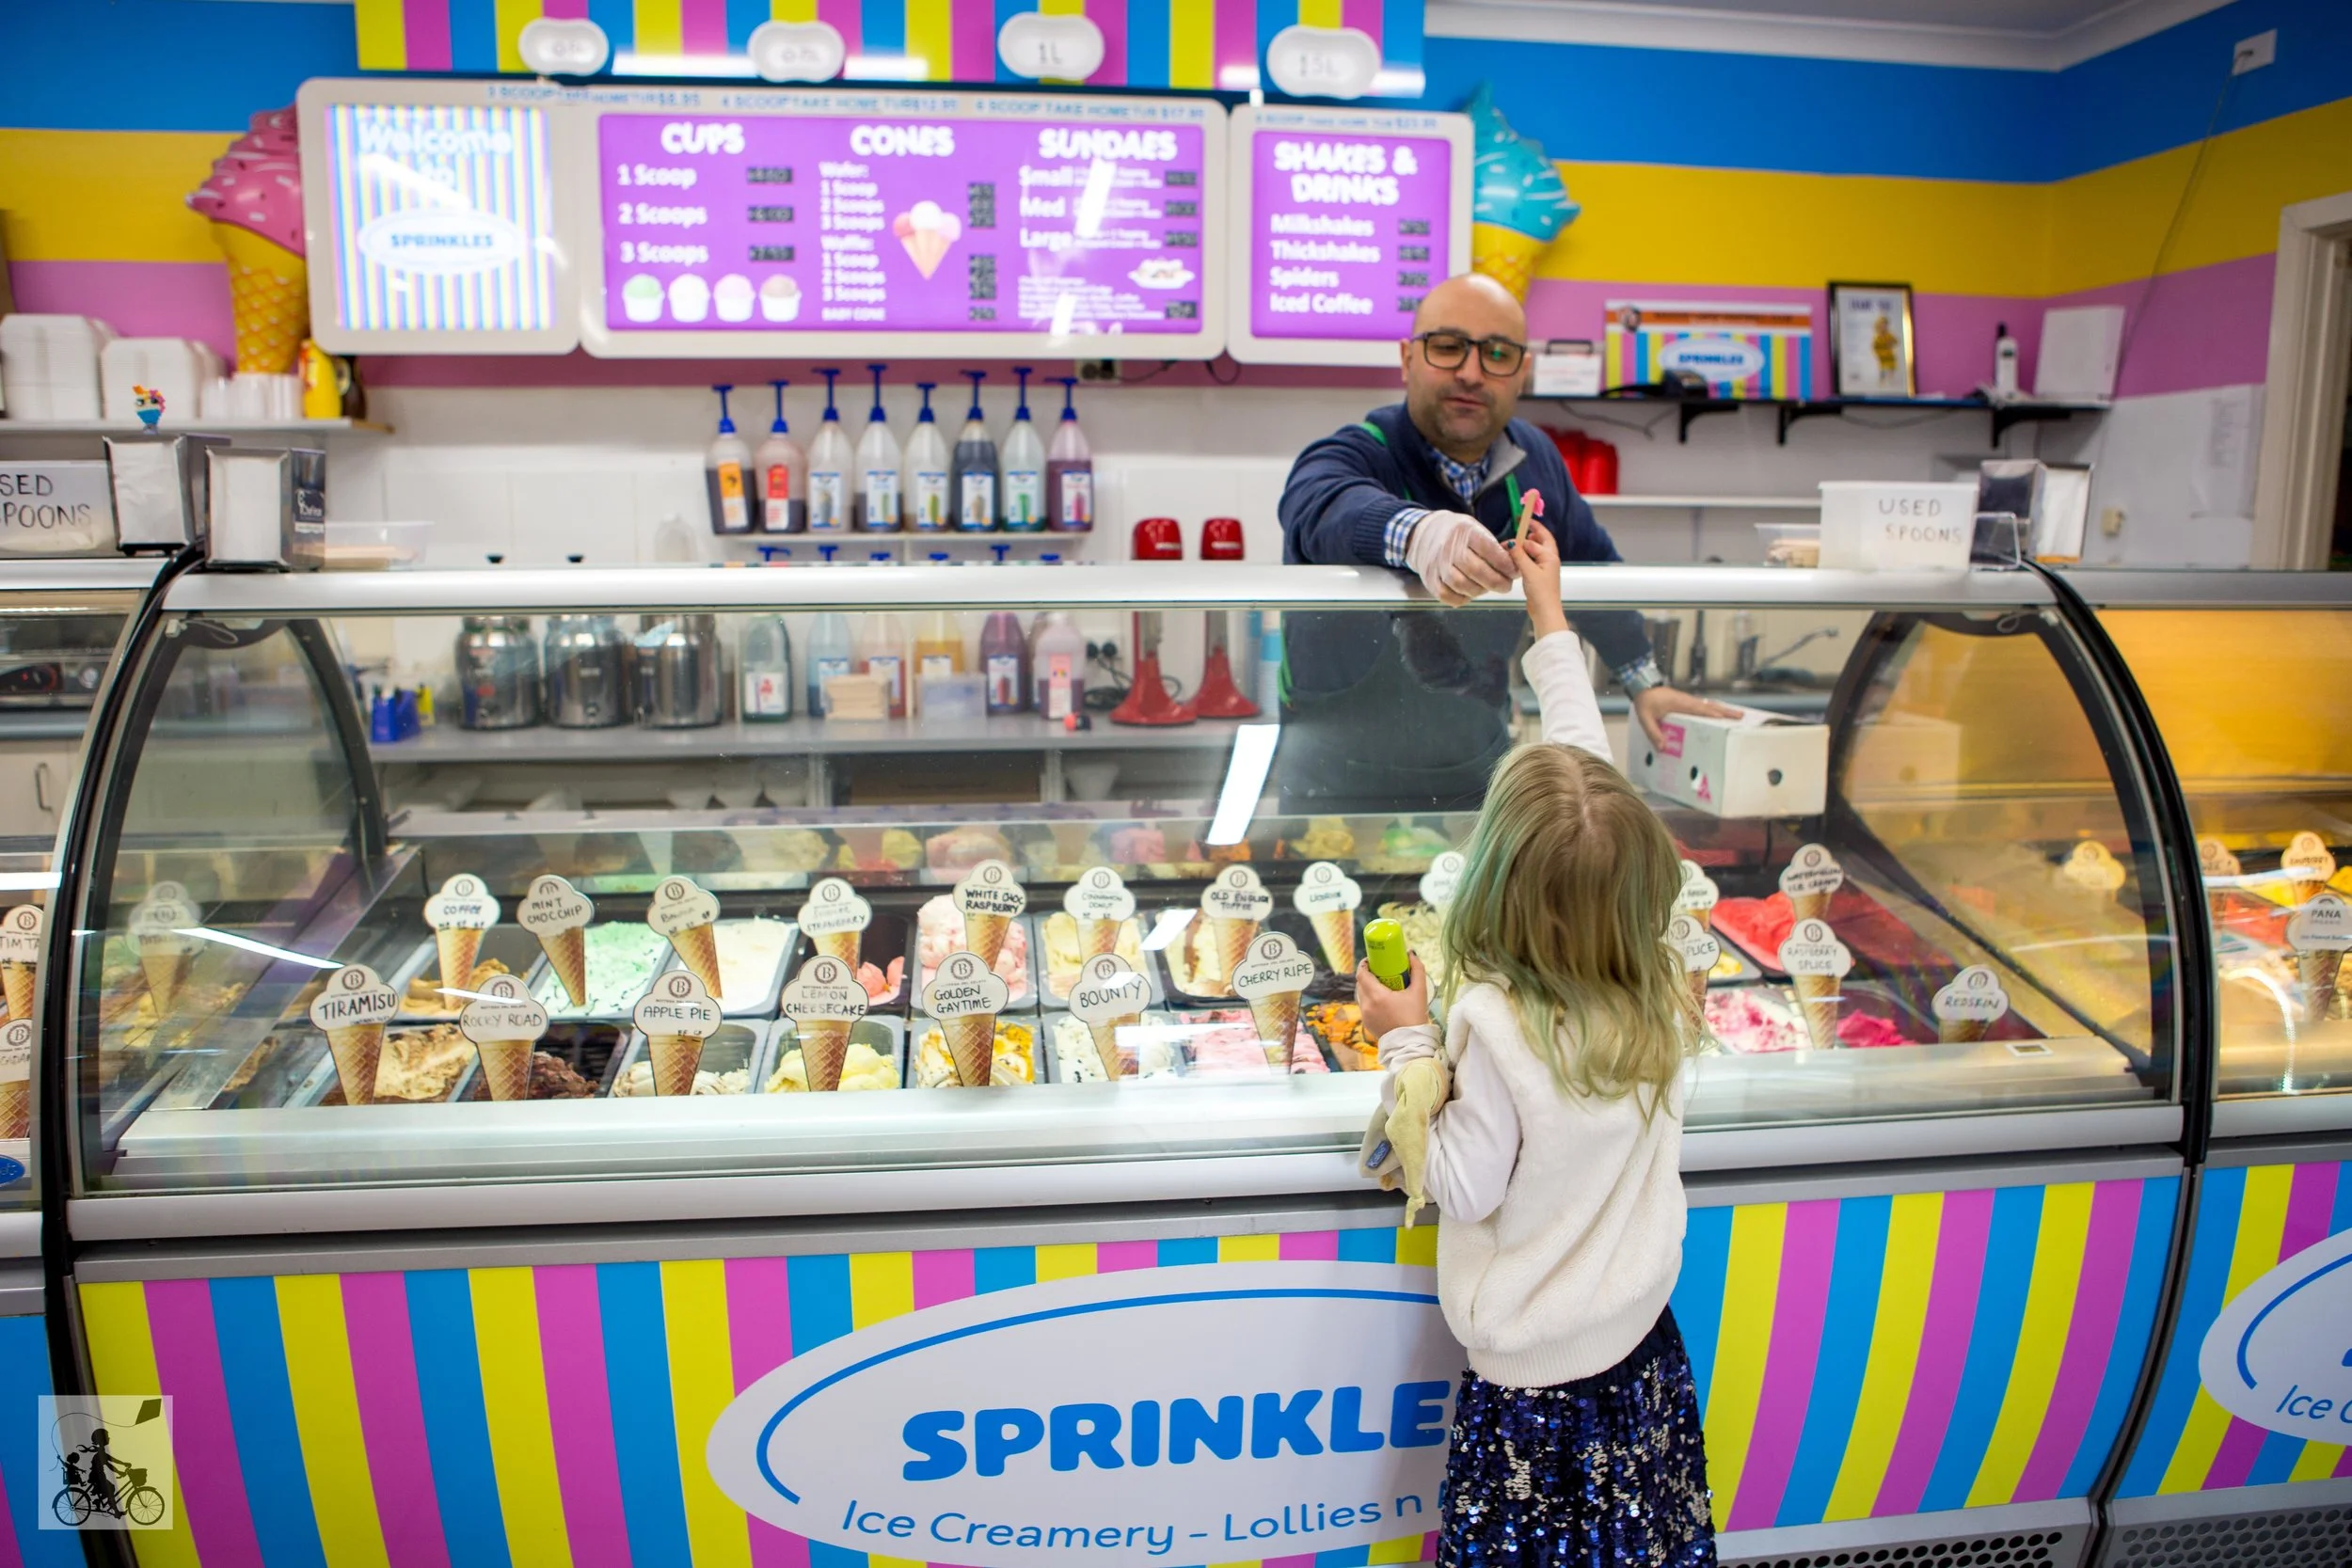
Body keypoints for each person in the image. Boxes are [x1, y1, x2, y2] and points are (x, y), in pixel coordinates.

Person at [1356, 516, 1715, 1568]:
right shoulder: (1655, 973)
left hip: (1536, 1399)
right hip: (1640, 1350)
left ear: (1494, 885)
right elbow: (1585, 774)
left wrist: (1406, 1042)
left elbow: (1464, 1183)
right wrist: (1546, 614)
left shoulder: (1499, 1021)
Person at [1277, 273, 1731, 810]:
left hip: (1479, 775)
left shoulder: (1536, 462)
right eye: (1448, 347)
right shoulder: (1357, 452)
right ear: (1407, 358)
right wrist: (1420, 534)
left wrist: (1644, 681)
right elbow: (1316, 504)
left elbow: (1594, 574)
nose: (1471, 373)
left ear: (1522, 372)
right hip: (1334, 781)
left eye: (1497, 354)